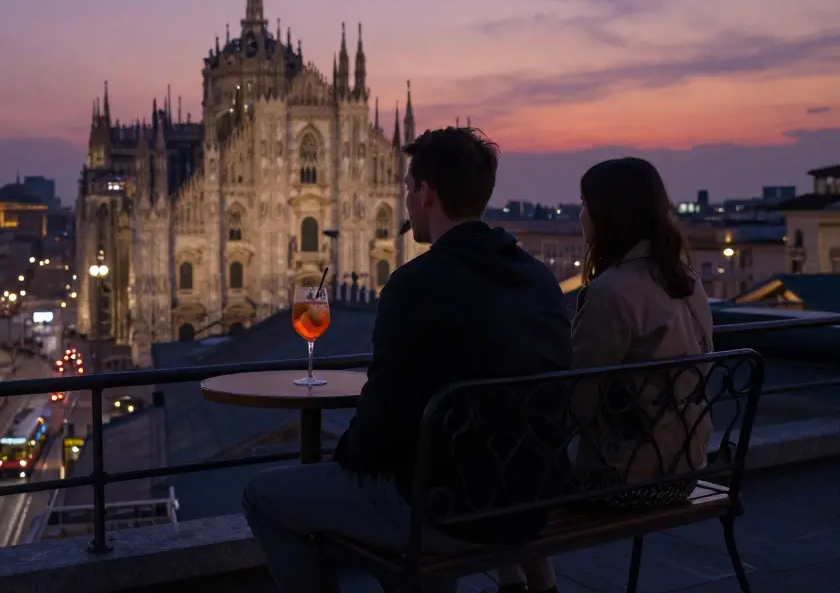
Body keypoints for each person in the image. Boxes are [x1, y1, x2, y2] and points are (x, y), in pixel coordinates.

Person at [242, 127, 572, 593]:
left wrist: (346, 461)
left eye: (406, 189)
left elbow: (382, 420)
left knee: (263, 495)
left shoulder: (415, 284)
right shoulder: (538, 279)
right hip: (532, 503)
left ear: (427, 193)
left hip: (447, 511)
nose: (405, 203)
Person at [499, 157, 714, 593]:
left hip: (629, 481)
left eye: (584, 203)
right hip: (687, 468)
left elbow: (576, 402)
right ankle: (530, 584)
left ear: (608, 214)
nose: (579, 214)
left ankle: (525, 584)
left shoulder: (610, 292)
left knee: (504, 464)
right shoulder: (687, 279)